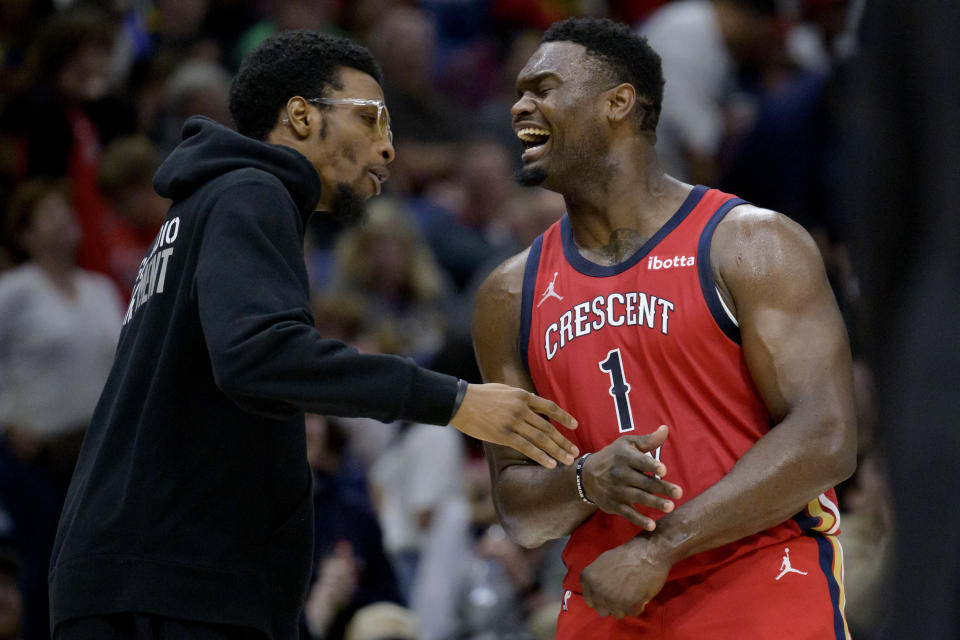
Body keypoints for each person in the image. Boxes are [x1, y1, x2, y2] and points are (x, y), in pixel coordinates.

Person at [48, 30, 579, 640]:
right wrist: (456, 401)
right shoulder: (252, 193)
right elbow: (259, 356)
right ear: (300, 116)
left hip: (134, 575)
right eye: (372, 119)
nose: (388, 148)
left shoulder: (202, 206)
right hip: (174, 585)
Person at [472, 17, 856, 638]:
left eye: (543, 88)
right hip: (608, 593)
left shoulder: (751, 243)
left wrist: (660, 548)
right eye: (518, 92)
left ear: (619, 102)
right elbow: (518, 507)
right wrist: (585, 481)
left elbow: (827, 437)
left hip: (758, 574)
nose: (520, 107)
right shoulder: (507, 295)